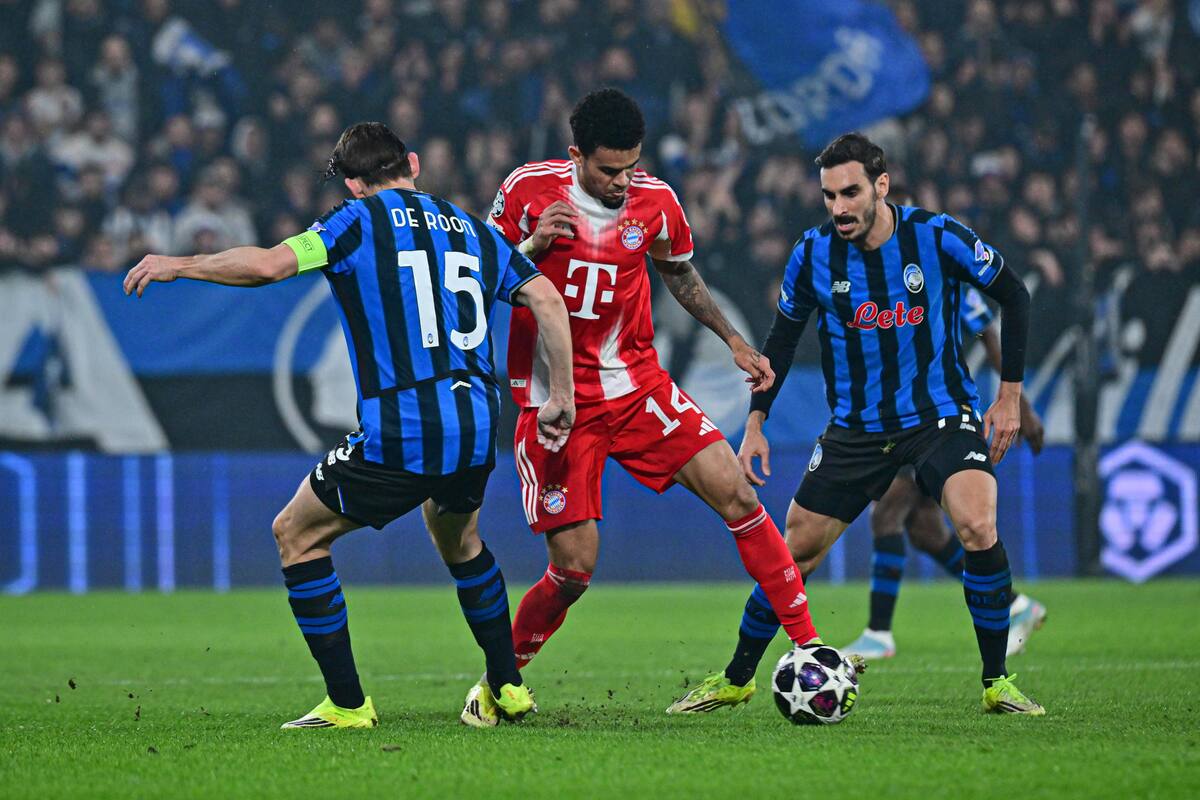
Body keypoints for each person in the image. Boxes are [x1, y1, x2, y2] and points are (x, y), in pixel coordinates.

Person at [124, 122, 576, 729]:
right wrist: (562, 394)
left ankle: (347, 703)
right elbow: (545, 297)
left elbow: (268, 266)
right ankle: (509, 685)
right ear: (413, 163)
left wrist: (180, 263)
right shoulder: (471, 228)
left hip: (405, 425)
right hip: (475, 424)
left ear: (355, 183)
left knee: (296, 535)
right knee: (461, 541)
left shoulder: (353, 221)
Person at [461, 88, 826, 725]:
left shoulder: (655, 200)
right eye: (608, 170)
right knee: (574, 570)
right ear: (576, 155)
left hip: (638, 389)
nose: (622, 181)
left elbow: (678, 273)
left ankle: (808, 645)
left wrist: (735, 340)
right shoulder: (526, 192)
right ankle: (499, 680)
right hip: (557, 407)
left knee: (738, 494)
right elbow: (472, 282)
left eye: (632, 165)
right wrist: (529, 248)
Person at [672, 132, 1045, 716]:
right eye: (829, 196)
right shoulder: (812, 254)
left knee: (976, 522)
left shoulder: (937, 236)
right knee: (795, 550)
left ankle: (997, 681)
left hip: (940, 415)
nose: (839, 208)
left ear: (881, 186)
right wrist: (756, 423)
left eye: (850, 193)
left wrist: (1011, 396)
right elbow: (783, 339)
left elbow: (1015, 296)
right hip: (857, 429)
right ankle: (737, 677)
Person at [842, 188, 1048, 662]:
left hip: (937, 417)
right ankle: (1014, 604)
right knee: (925, 533)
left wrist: (1020, 404)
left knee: (887, 513)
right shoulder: (879, 275)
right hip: (900, 418)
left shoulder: (936, 269)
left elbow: (988, 332)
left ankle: (879, 632)